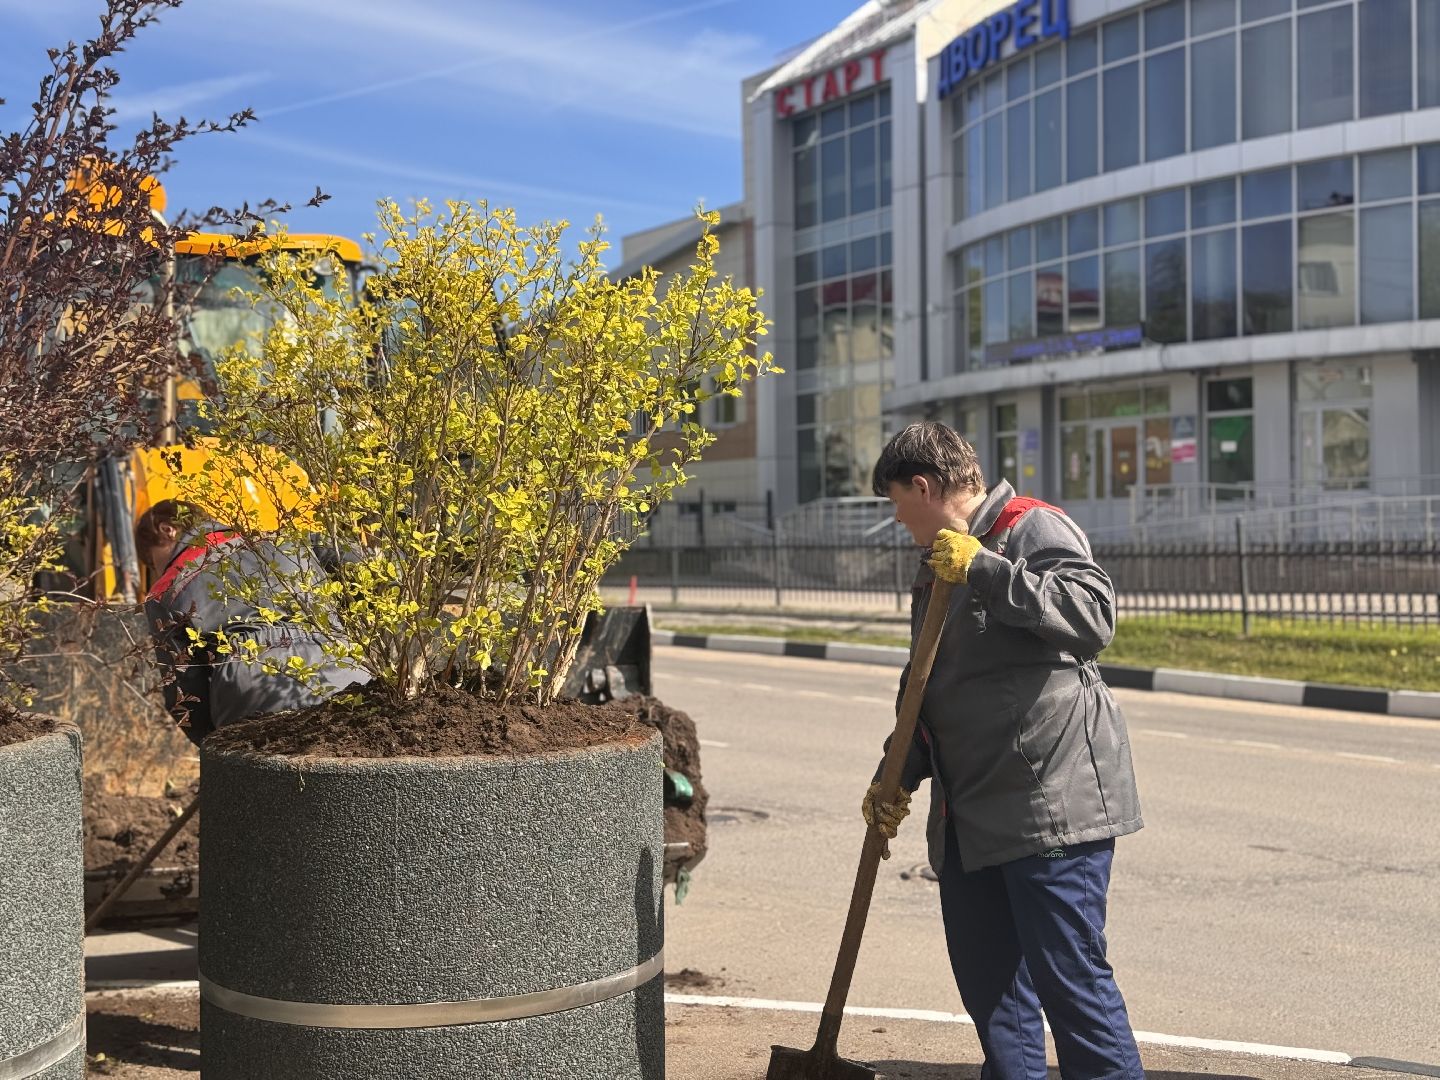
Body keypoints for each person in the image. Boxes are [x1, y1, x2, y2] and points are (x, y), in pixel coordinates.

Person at [861, 422, 1145, 1080]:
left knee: (1071, 989)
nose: (899, 520)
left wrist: (986, 569)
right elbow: (928, 686)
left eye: (898, 502)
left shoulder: (1032, 527)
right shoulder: (934, 565)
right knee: (996, 1000)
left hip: (1048, 807)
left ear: (925, 486)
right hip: (970, 818)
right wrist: (892, 779)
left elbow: (1091, 618)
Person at [136, 499, 367, 745]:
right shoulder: (283, 540)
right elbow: (359, 564)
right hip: (344, 663)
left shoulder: (166, 589)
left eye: (152, 562)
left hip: (251, 684)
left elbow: (184, 692)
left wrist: (213, 745)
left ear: (166, 529)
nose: (157, 570)